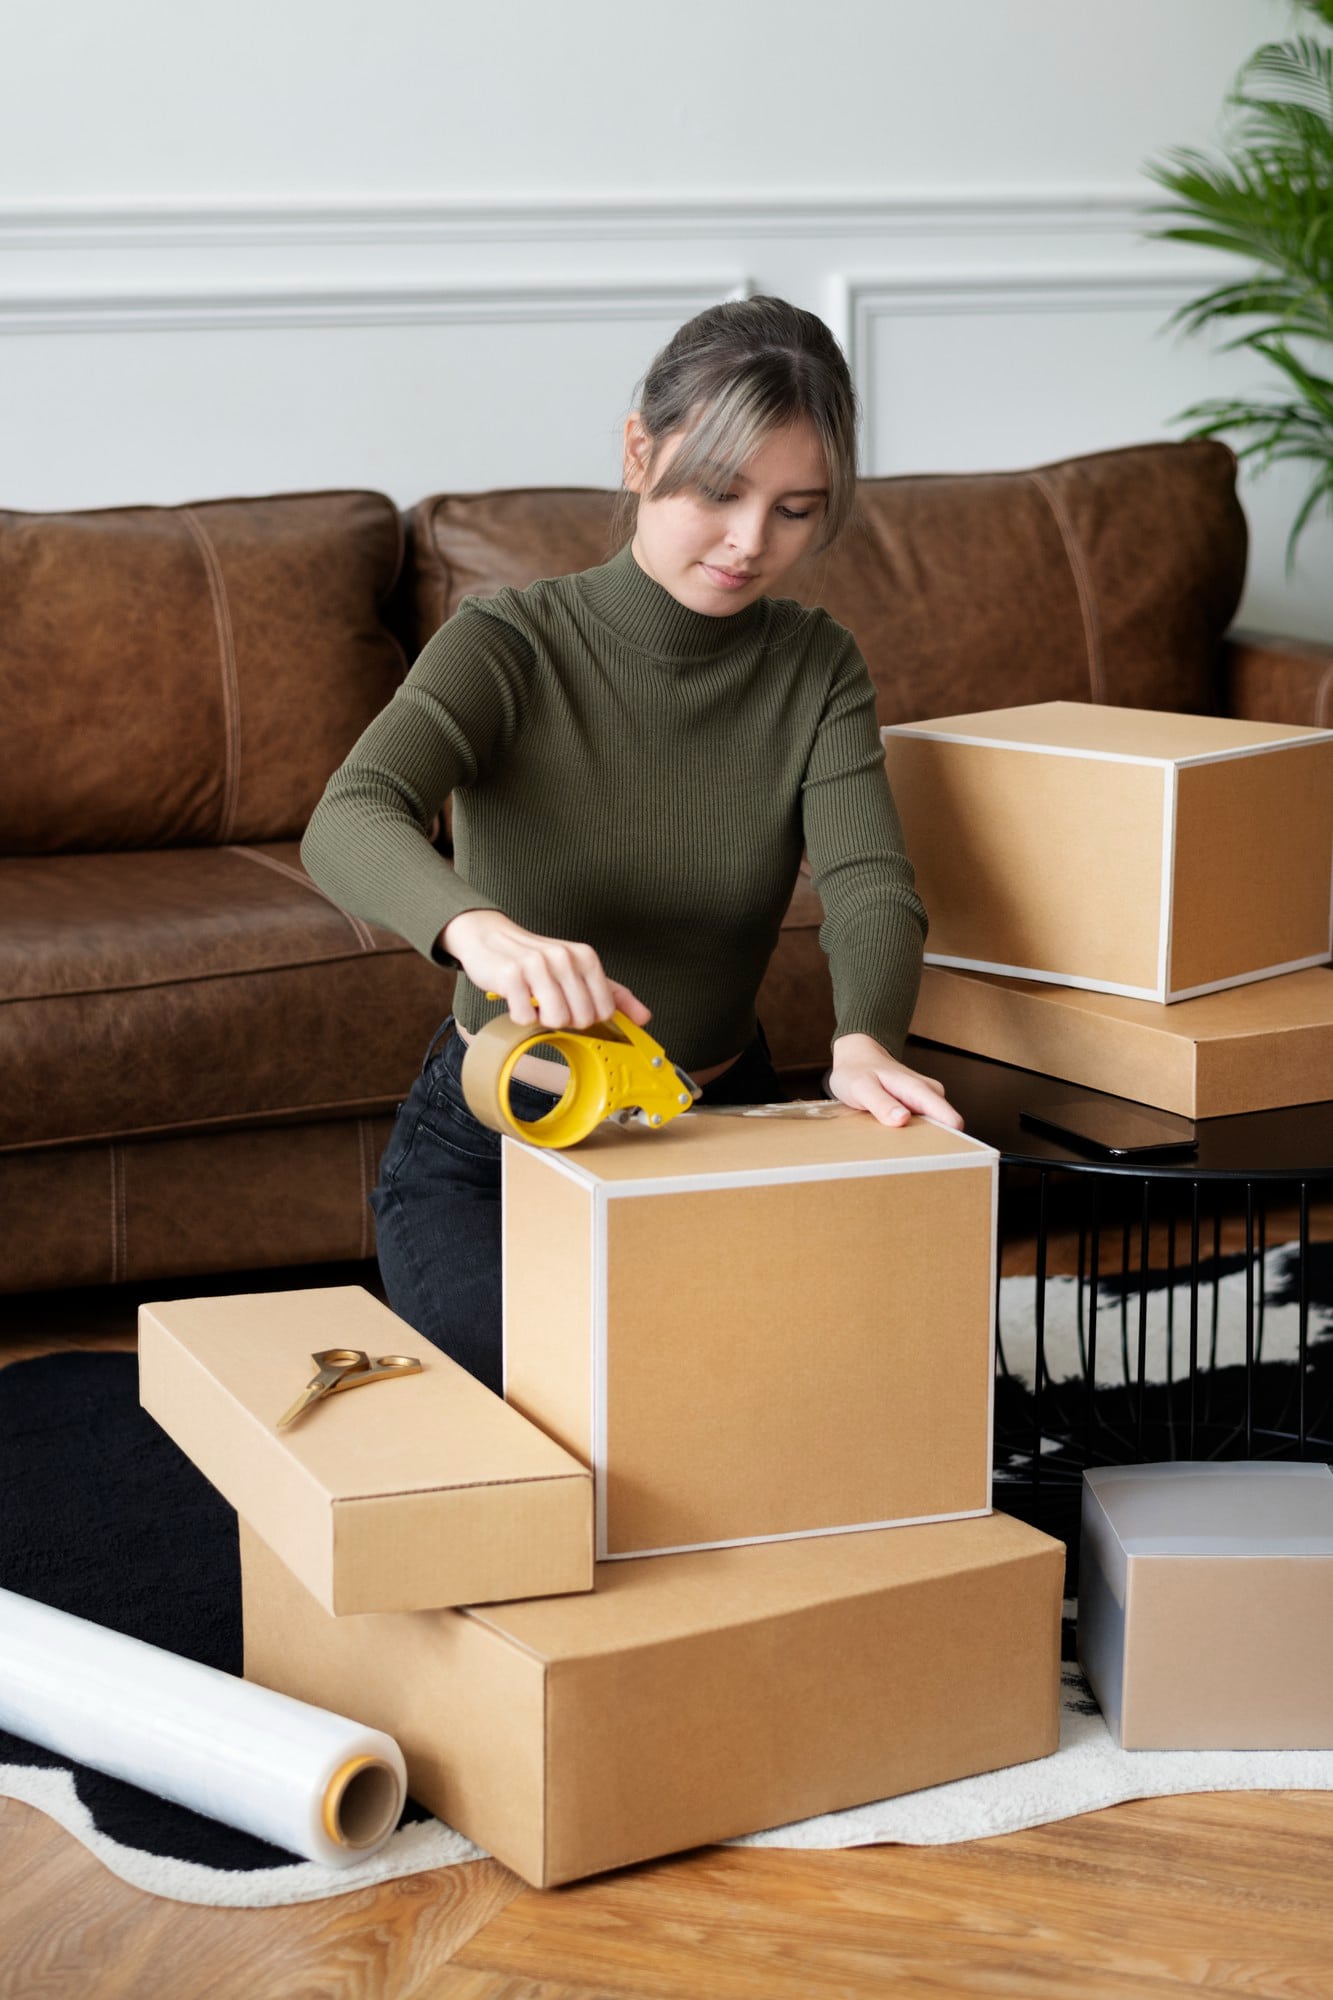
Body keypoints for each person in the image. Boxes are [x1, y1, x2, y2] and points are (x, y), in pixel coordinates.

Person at [301, 295, 961, 1394]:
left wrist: (865, 1040)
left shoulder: (815, 663)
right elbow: (351, 810)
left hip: (721, 1127)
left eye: (796, 509)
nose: (751, 542)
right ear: (638, 452)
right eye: (718, 492)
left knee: (806, 1401)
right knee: (577, 1408)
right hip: (503, 1144)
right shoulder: (508, 644)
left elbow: (868, 884)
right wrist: (482, 930)